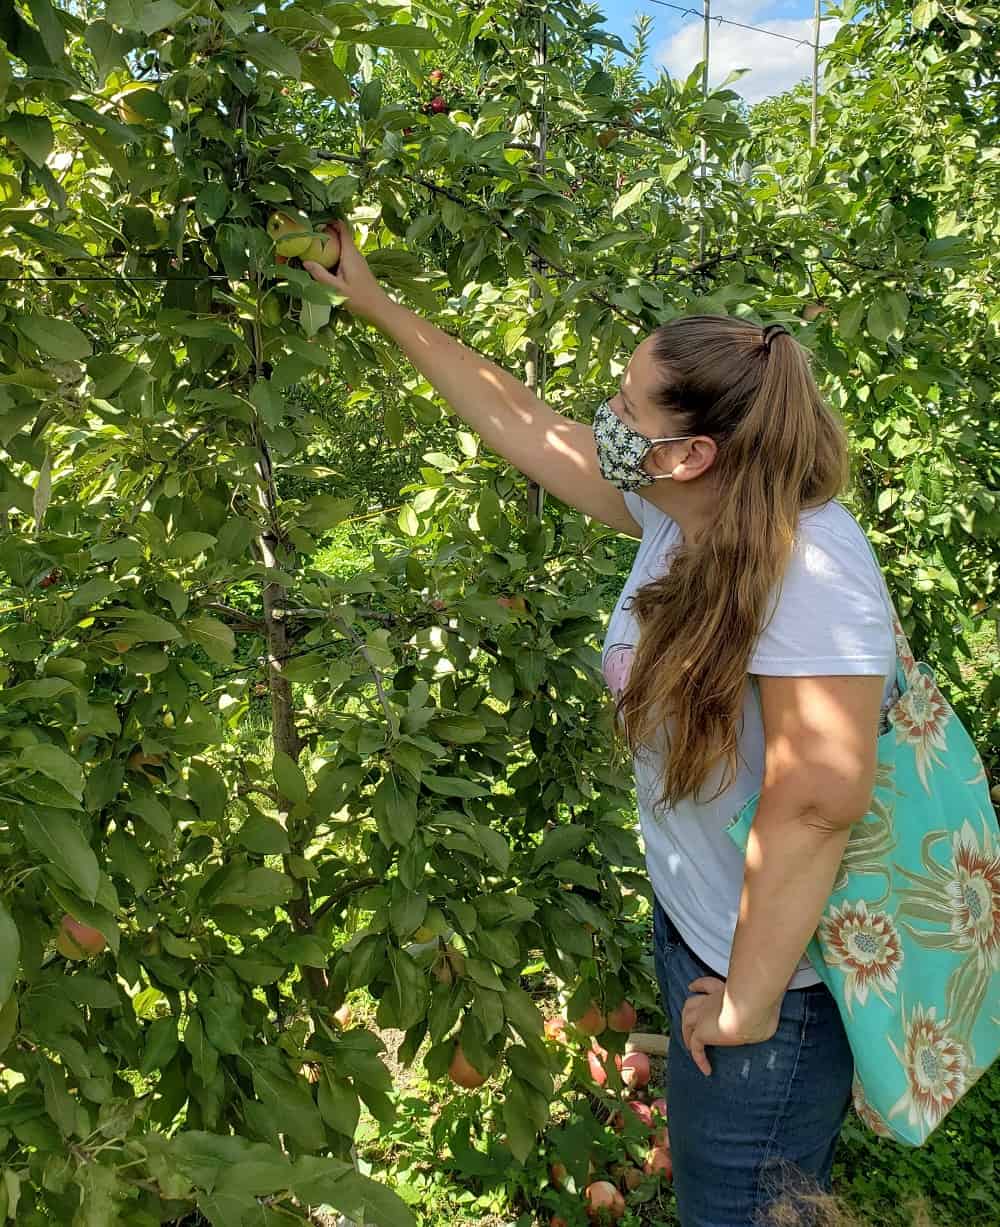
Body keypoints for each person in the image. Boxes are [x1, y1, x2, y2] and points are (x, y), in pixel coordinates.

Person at [306, 224, 898, 1227]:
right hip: (708, 928)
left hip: (775, 979)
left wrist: (749, 1002)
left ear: (691, 449)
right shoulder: (691, 511)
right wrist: (379, 306)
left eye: (626, 404)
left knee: (740, 1209)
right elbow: (528, 427)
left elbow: (817, 800)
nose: (606, 416)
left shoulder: (812, 574)